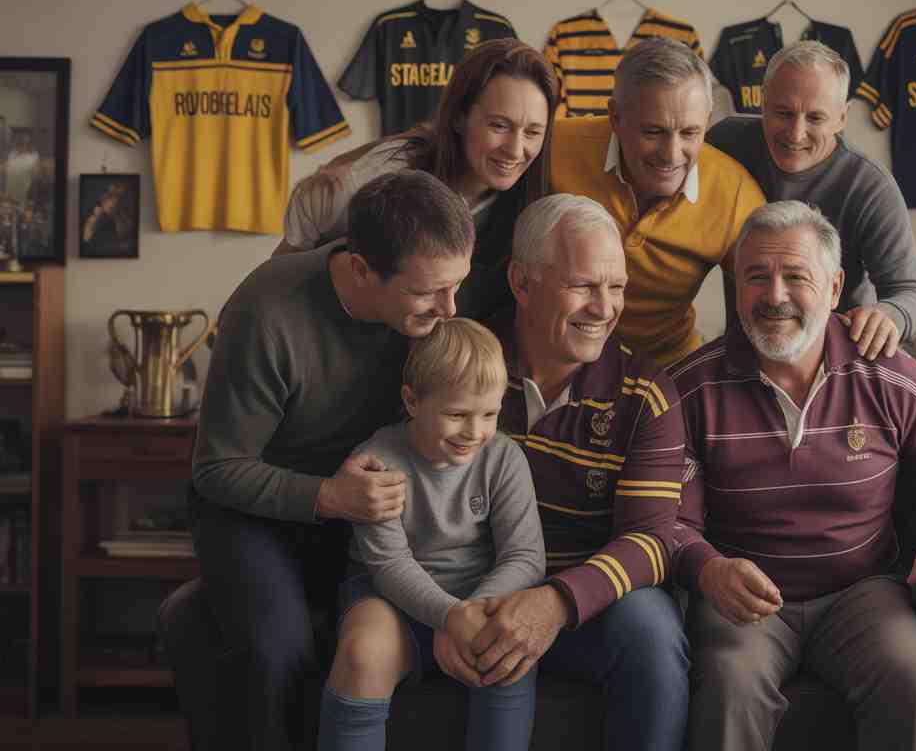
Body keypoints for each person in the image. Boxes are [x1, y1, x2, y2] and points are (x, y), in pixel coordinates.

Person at [669, 201, 916, 751]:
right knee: (730, 686)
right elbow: (667, 519)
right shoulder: (689, 388)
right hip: (745, 600)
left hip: (863, 593)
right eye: (757, 275)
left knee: (914, 677)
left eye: (796, 276)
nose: (774, 295)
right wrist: (708, 570)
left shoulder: (884, 370)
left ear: (834, 286)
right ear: (735, 286)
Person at [191, 169, 475, 751]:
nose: (450, 309)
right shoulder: (266, 311)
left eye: (457, 286)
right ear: (361, 269)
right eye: (428, 293)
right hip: (253, 510)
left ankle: (199, 612)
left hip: (361, 512)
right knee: (282, 648)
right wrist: (328, 496)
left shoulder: (431, 309)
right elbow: (217, 469)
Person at [469, 194, 689, 750]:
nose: (605, 307)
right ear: (522, 283)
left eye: (616, 287)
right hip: (470, 587)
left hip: (588, 601)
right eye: (584, 285)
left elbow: (652, 540)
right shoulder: (462, 364)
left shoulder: (646, 393)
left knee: (652, 632)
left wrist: (556, 602)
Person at [319, 318, 545, 751]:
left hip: (482, 595)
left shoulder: (504, 457)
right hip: (387, 597)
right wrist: (449, 616)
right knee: (363, 652)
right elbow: (389, 564)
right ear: (412, 400)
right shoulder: (376, 462)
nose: (474, 432)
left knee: (506, 653)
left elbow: (525, 556)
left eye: (490, 414)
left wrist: (469, 614)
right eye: (457, 414)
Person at [273, 38, 558, 324]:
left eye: (533, 133)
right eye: (499, 125)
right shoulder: (376, 177)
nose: (515, 149)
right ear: (459, 116)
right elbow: (276, 278)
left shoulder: (529, 203)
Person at [547, 37, 766, 366]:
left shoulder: (735, 194)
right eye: (653, 132)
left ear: (707, 120)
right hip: (560, 358)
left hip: (666, 368)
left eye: (690, 133)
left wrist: (872, 311)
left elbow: (775, 291)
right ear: (616, 118)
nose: (671, 154)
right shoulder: (553, 146)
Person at [707, 41, 916, 361]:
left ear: (842, 117)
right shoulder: (725, 144)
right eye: (783, 113)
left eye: (815, 118)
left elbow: (913, 294)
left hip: (836, 359)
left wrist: (889, 314)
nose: (796, 134)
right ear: (762, 102)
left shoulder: (868, 186)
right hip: (746, 353)